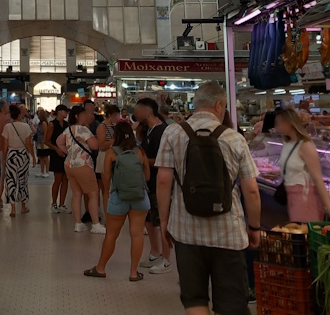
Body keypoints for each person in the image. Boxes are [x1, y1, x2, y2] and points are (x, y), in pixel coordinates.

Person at [156, 81, 261, 315]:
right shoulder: (234, 138)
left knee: (194, 300)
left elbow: (163, 181)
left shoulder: (173, 133)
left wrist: (164, 221)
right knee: (231, 304)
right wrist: (253, 227)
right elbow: (251, 190)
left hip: (186, 232)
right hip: (229, 234)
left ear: (196, 104)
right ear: (219, 105)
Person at [84, 120, 150, 281]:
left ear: (116, 135)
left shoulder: (112, 153)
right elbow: (147, 176)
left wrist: (111, 191)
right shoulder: (140, 151)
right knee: (137, 234)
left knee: (111, 235)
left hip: (119, 197)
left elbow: (106, 178)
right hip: (139, 198)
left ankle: (100, 269)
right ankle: (134, 273)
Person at [134, 98, 172, 274]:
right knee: (149, 219)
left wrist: (141, 160)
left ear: (147, 112)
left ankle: (166, 258)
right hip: (148, 182)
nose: (136, 114)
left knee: (162, 220)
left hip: (159, 183)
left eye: (138, 110)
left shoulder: (162, 131)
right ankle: (154, 253)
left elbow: (161, 160)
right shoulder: (148, 130)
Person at [274, 108, 330, 221]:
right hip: (292, 199)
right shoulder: (287, 143)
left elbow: (318, 179)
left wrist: (329, 208)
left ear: (290, 122)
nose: (276, 127)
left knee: (304, 234)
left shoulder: (306, 145)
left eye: (279, 123)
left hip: (306, 199)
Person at [57, 105, 105, 234]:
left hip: (69, 165)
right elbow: (95, 146)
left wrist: (69, 152)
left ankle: (78, 223)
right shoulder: (83, 129)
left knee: (76, 194)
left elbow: (58, 141)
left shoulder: (68, 129)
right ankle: (96, 224)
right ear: (77, 116)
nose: (86, 116)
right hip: (83, 164)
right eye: (83, 114)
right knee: (93, 193)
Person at [2, 103, 36, 216]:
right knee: (22, 181)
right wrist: (33, 157)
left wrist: (4, 158)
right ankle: (23, 206)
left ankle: (12, 209)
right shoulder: (26, 127)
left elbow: (5, 144)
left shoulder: (7, 127)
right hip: (22, 155)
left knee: (11, 181)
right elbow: (29, 143)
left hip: (11, 155)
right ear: (20, 115)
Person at [45, 103, 70, 213]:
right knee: (58, 179)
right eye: (65, 111)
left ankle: (62, 204)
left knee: (66, 179)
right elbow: (46, 141)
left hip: (66, 154)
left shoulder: (67, 124)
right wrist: (56, 149)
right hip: (56, 154)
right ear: (60, 112)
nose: (66, 113)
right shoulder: (52, 124)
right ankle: (54, 203)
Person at [96, 104, 121, 209]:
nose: (117, 117)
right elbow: (101, 145)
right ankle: (107, 212)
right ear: (110, 115)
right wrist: (113, 141)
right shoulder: (102, 127)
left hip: (114, 156)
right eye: (116, 115)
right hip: (104, 157)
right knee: (106, 189)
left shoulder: (115, 126)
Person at [36, 109, 50, 177]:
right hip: (39, 141)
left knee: (45, 157)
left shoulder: (44, 123)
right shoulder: (39, 123)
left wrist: (43, 142)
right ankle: (42, 171)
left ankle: (47, 171)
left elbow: (45, 133)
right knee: (41, 157)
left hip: (43, 142)